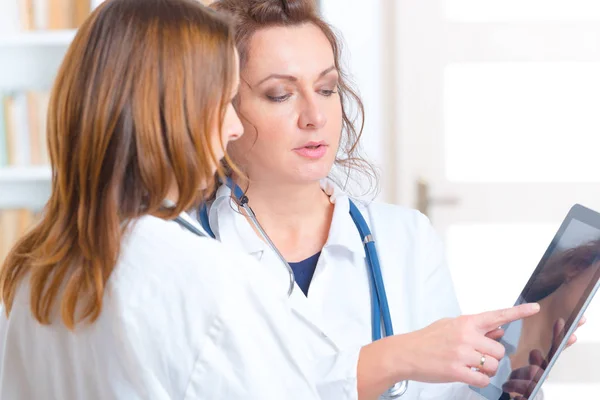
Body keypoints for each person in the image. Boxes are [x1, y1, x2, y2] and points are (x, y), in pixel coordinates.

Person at [201, 0, 577, 399]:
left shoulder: (405, 237)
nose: (315, 115)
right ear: (222, 106)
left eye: (327, 89)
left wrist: (501, 381)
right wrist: (395, 357)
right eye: (280, 94)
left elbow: (446, 395)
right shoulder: (187, 249)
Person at [0, 0, 325, 398]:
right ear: (174, 113)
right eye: (224, 101)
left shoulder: (34, 275)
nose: (235, 127)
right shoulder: (210, 280)